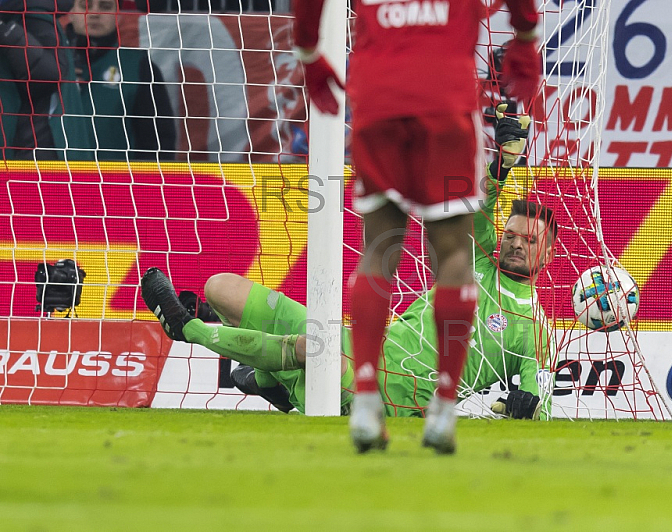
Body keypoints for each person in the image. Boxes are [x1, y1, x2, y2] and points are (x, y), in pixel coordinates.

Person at [139, 107, 557, 444]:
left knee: (313, 349)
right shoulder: (476, 261)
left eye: (531, 241)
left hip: (390, 398)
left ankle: (188, 329)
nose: (518, 244)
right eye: (512, 235)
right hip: (357, 345)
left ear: (549, 255)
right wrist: (504, 161)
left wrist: (528, 407)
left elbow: (542, 401)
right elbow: (482, 204)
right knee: (221, 288)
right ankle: (273, 380)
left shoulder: (532, 329)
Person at [292, 0, 542, 454]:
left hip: (379, 101)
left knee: (380, 249)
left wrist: (308, 49)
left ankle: (366, 399)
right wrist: (526, 34)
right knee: (453, 254)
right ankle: (444, 408)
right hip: (444, 101)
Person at [67, 0, 176, 160]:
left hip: (117, 182)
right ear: (70, 13)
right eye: (85, 6)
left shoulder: (139, 67)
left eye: (105, 7)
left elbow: (159, 145)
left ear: (118, 16)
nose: (95, 14)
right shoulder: (47, 63)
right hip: (51, 179)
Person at [0, 0, 92, 160]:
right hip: (37, 153)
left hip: (33, 156)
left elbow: (47, 76)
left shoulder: (32, 16)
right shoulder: (28, 14)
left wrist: (7, 31)